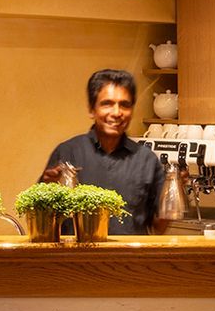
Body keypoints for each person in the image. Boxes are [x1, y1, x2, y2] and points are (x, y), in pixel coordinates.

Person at [42, 69, 170, 236]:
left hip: (131, 260)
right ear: (91, 109)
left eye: (124, 104)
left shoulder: (147, 160)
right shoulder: (68, 152)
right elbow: (44, 223)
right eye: (107, 103)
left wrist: (173, 192)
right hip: (76, 260)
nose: (116, 113)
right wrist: (48, 189)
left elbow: (158, 227)